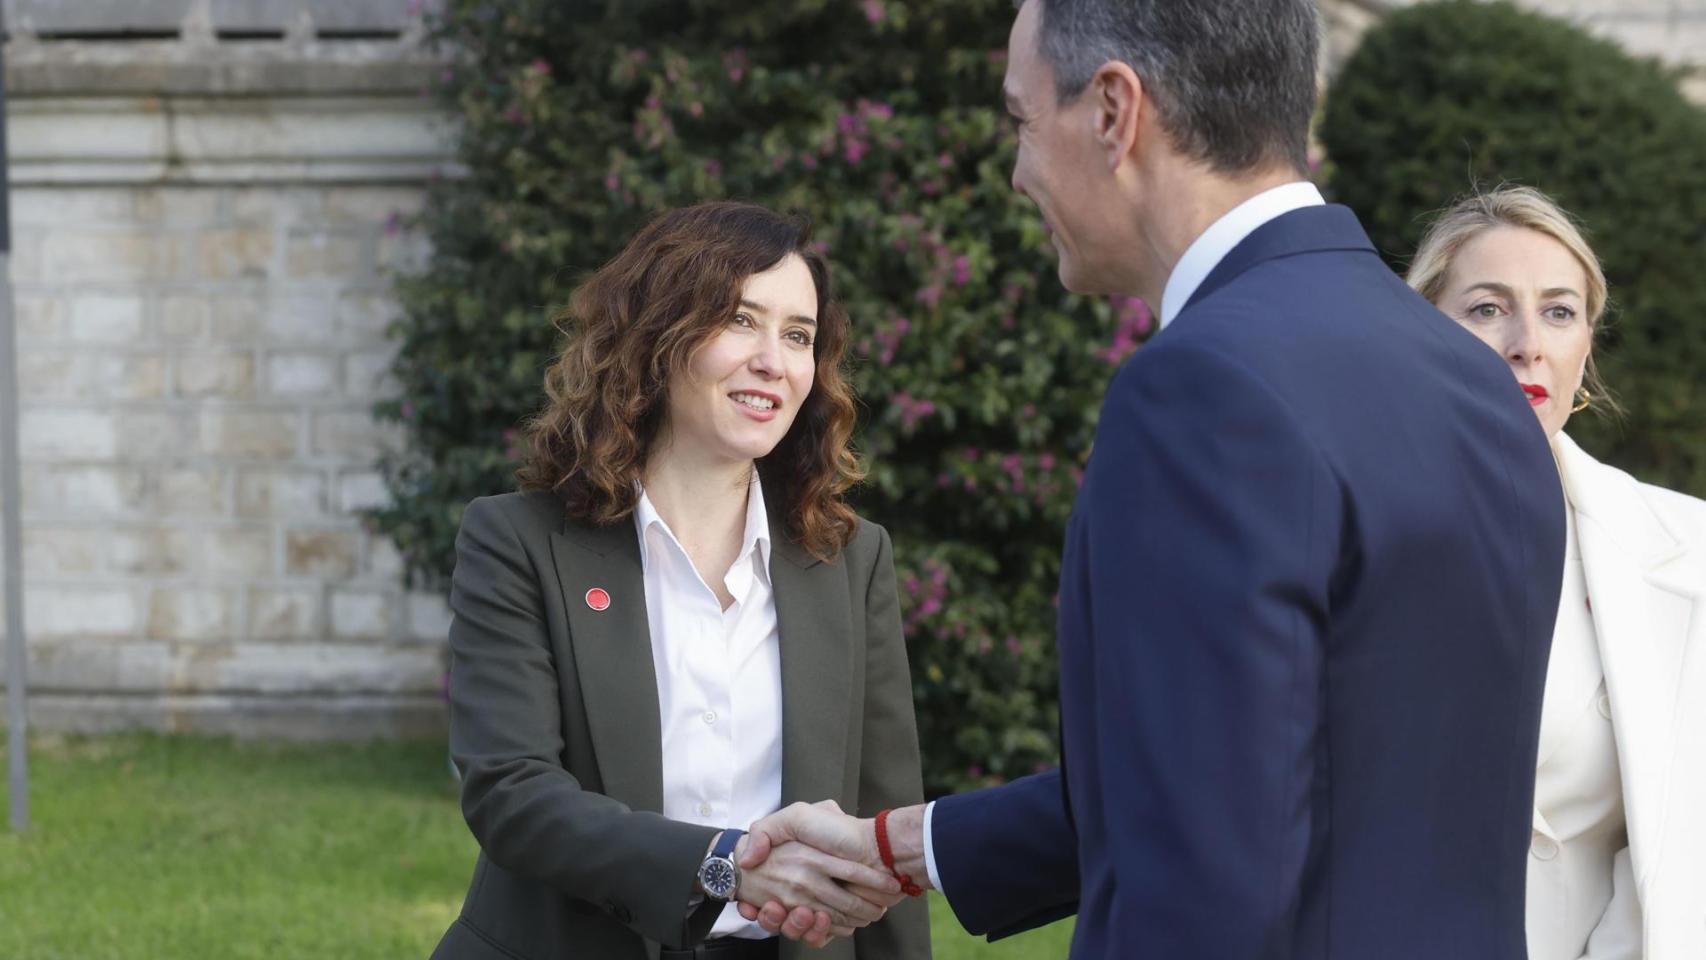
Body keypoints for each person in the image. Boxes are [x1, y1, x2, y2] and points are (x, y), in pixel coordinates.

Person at [738, 1, 1568, 957]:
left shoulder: (1204, 388)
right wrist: (904, 844)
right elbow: (1289, 774)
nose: (1018, 171)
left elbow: (1206, 878)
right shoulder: (1477, 381)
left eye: (1021, 119)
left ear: (1112, 111)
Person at [430, 201, 931, 960]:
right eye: (740, 320)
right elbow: (512, 795)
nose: (774, 360)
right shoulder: (519, 540)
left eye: (797, 336)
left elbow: (879, 833)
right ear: (656, 339)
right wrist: (727, 870)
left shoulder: (852, 561)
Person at [1405, 185, 1706, 960]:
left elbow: (1683, 859)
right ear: (1419, 334)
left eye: (1560, 311)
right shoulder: (1345, 533)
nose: (1527, 343)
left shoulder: (1689, 550)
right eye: (1486, 308)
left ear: (1586, 347)